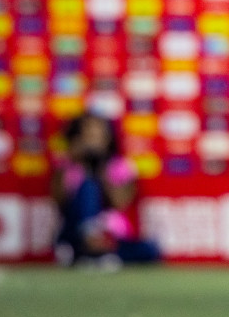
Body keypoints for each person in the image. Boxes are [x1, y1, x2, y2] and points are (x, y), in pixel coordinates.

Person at [50, 113, 161, 267]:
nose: (92, 142)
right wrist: (80, 164)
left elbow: (120, 202)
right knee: (88, 186)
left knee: (150, 250)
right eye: (87, 136)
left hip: (111, 236)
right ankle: (91, 247)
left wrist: (100, 168)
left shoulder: (119, 165)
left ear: (107, 139)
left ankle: (94, 254)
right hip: (76, 231)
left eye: (97, 136)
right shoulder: (66, 167)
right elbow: (59, 202)